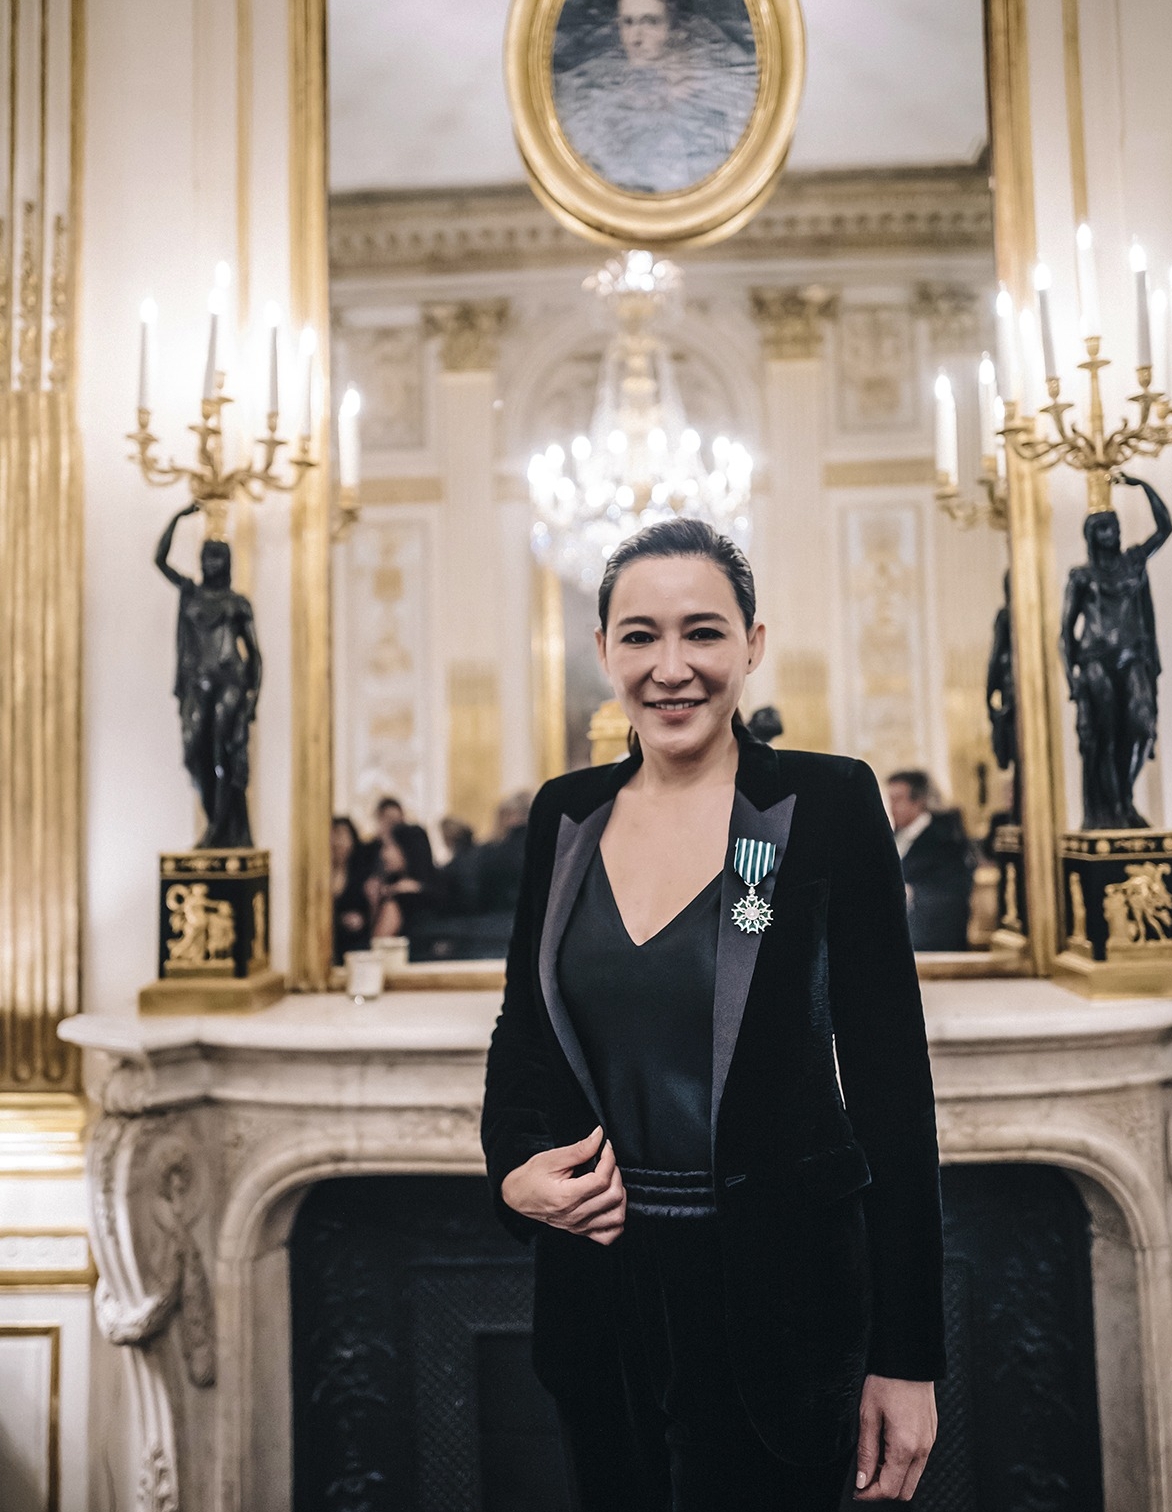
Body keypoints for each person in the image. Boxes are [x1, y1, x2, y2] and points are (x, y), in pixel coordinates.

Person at [482, 520, 943, 1511]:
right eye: (639, 636)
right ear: (602, 651)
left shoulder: (820, 803)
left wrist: (907, 1357)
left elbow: (891, 1087)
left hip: (782, 1315)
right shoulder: (564, 818)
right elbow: (523, 1034)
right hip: (597, 1306)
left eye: (702, 632)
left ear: (751, 645)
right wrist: (512, 1174)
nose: (670, 667)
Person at [1059, 474, 1170, 829]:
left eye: (1116, 526)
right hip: (1095, 661)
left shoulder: (1133, 562)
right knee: (1104, 738)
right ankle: (1115, 808)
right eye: (1106, 528)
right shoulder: (1082, 575)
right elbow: (1065, 633)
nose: (1114, 533)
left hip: (1131, 657)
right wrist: (1071, 679)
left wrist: (1142, 485)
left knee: (1140, 726)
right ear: (1093, 535)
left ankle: (1126, 794)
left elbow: (1165, 527)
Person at [553, 0, 758, 194]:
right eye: (628, 22)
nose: (636, 38)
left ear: (675, 29)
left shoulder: (711, 97)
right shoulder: (599, 98)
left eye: (650, 22)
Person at [155, 502, 262, 849]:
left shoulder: (237, 603)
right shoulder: (190, 593)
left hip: (229, 683)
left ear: (226, 562)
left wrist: (251, 701)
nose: (209, 562)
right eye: (205, 556)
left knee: (222, 754)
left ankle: (217, 831)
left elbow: (255, 656)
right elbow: (160, 559)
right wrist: (178, 516)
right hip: (196, 685)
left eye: (216, 557)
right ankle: (218, 824)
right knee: (193, 754)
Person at [887, 770, 974, 953]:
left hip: (933, 939)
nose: (892, 807)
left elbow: (953, 892)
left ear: (918, 801)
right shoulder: (892, 837)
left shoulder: (946, 839)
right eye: (890, 800)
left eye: (898, 800)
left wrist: (909, 892)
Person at [331, 816, 370, 964]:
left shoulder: (361, 873)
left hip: (355, 943)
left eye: (343, 835)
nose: (338, 842)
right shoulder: (318, 876)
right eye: (335, 835)